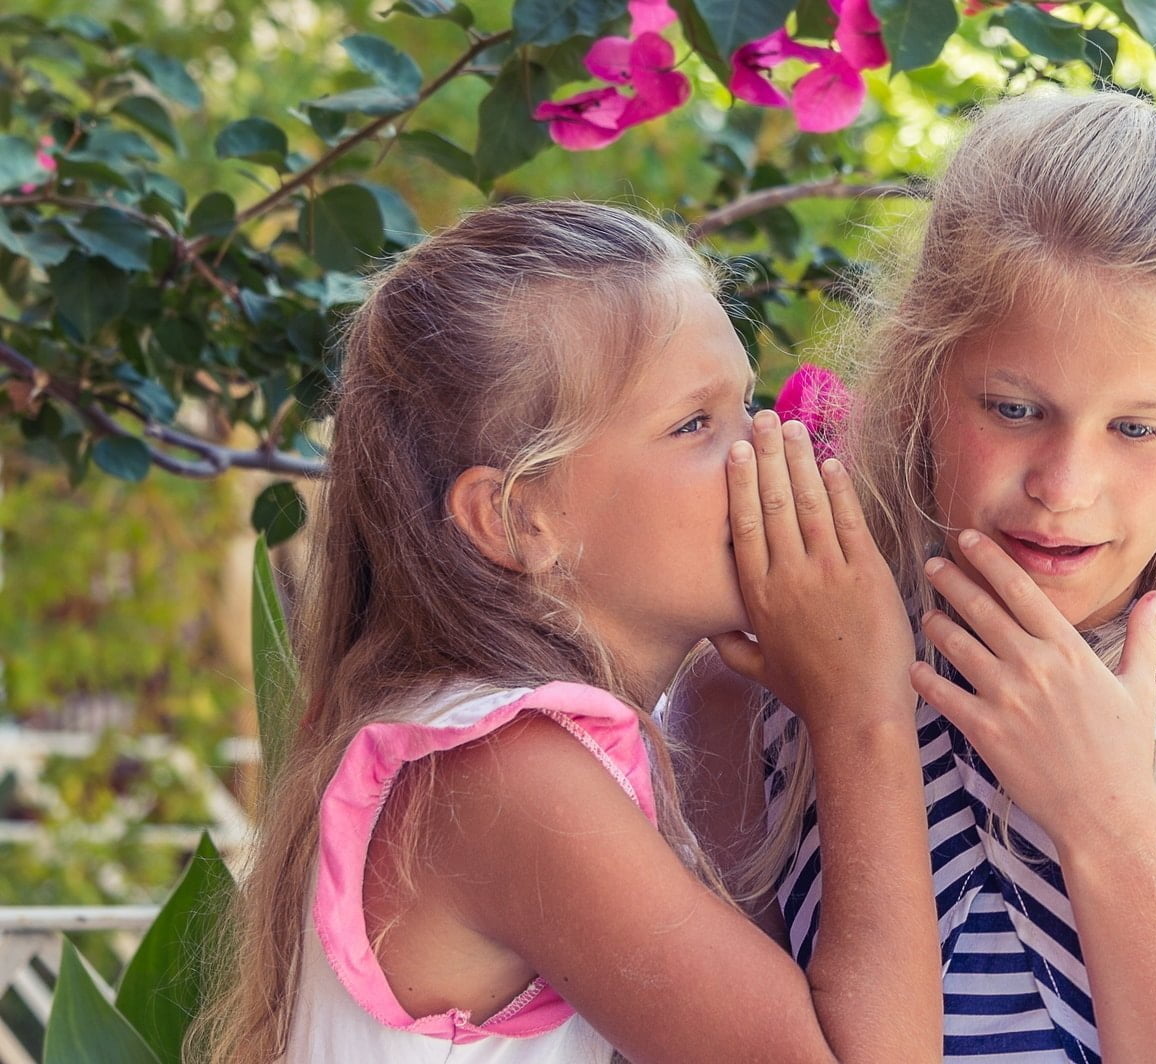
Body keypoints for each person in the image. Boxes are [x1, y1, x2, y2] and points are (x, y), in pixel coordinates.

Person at [674, 92, 1156, 1062]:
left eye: (1136, 428)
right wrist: (857, 714)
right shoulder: (765, 674)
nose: (1063, 485)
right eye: (1013, 408)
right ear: (929, 374)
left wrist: (1109, 824)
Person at [190, 200, 942, 1064]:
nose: (768, 446)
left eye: (747, 402)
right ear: (518, 520)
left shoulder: (513, 746)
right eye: (696, 423)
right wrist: (862, 706)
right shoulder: (506, 775)